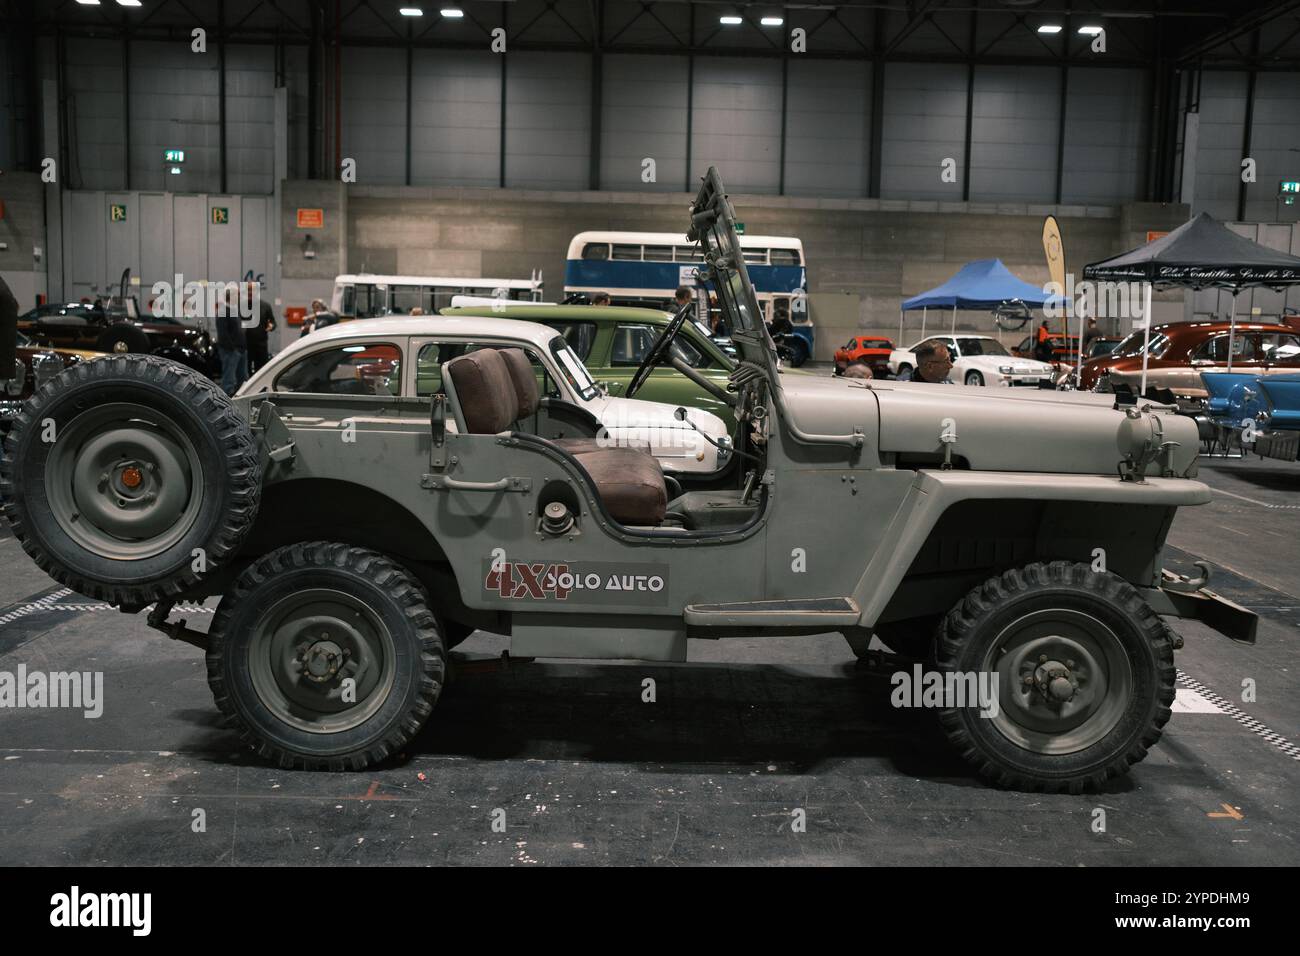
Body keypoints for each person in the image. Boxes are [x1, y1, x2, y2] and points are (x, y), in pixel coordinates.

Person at [216, 288, 248, 394]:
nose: (239, 297)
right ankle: (225, 400)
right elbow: (223, 334)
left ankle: (241, 397)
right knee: (228, 379)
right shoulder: (223, 311)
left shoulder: (235, 310)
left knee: (242, 378)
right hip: (230, 351)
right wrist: (233, 349)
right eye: (237, 295)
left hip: (241, 350)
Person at [246, 289, 276, 374]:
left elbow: (273, 322)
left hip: (261, 344)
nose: (250, 292)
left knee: (261, 372)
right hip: (245, 345)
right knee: (244, 372)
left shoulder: (265, 306)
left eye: (252, 290)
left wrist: (271, 326)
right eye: (248, 290)